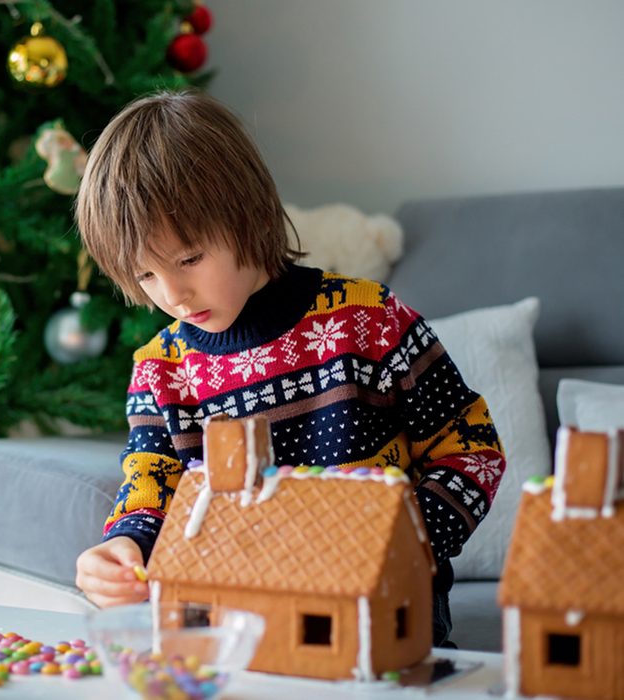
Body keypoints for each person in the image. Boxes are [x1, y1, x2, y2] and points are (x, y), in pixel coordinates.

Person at [74, 90, 506, 647]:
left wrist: (404, 540)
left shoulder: (367, 321)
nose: (174, 294)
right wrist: (125, 545)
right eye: (145, 276)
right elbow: (151, 487)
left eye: (188, 260)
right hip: (231, 631)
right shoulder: (160, 372)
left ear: (248, 214)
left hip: (379, 615)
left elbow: (472, 447)